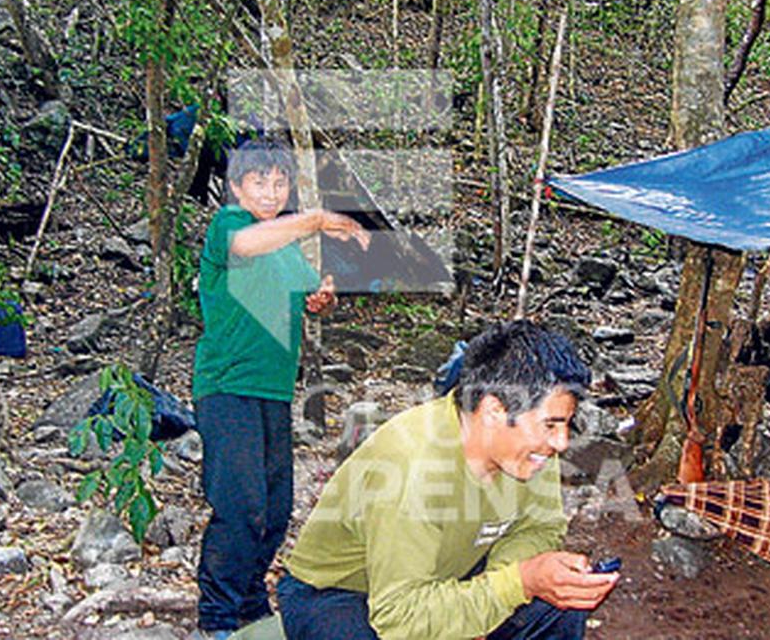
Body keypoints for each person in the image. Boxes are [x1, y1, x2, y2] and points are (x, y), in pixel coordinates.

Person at [278, 319, 619, 640]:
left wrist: (500, 588)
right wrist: (514, 585)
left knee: (561, 603)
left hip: (450, 575)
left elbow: (540, 528)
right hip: (344, 594)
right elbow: (398, 615)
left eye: (566, 424)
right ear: (493, 411)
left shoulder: (529, 450)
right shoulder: (412, 466)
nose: (560, 442)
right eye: (550, 424)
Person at [191, 137, 370, 640]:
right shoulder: (230, 225)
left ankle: (250, 604)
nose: (271, 192)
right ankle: (219, 618)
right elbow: (247, 247)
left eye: (279, 182)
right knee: (239, 503)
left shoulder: (284, 243)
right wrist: (315, 219)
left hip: (274, 392)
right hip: (227, 387)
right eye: (258, 182)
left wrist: (321, 298)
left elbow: (310, 294)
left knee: (274, 506)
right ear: (235, 187)